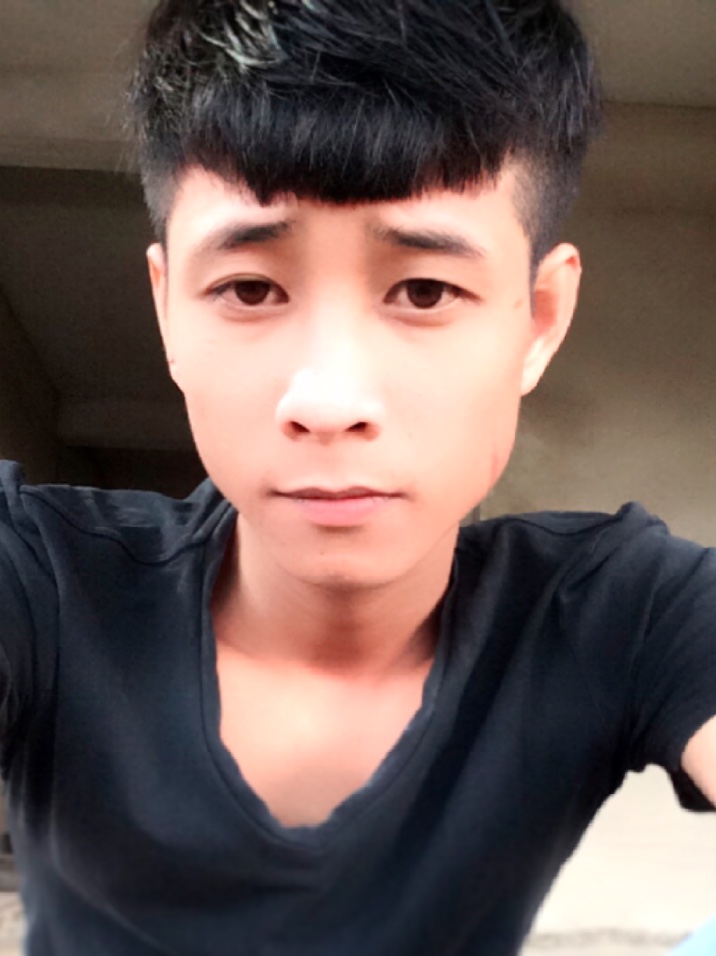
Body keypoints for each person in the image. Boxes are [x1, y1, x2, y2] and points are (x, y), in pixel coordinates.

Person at [0, 1, 714, 953]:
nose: (328, 401)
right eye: (250, 288)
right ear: (169, 310)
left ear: (539, 319)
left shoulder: (621, 610)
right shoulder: (40, 580)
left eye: (424, 290)